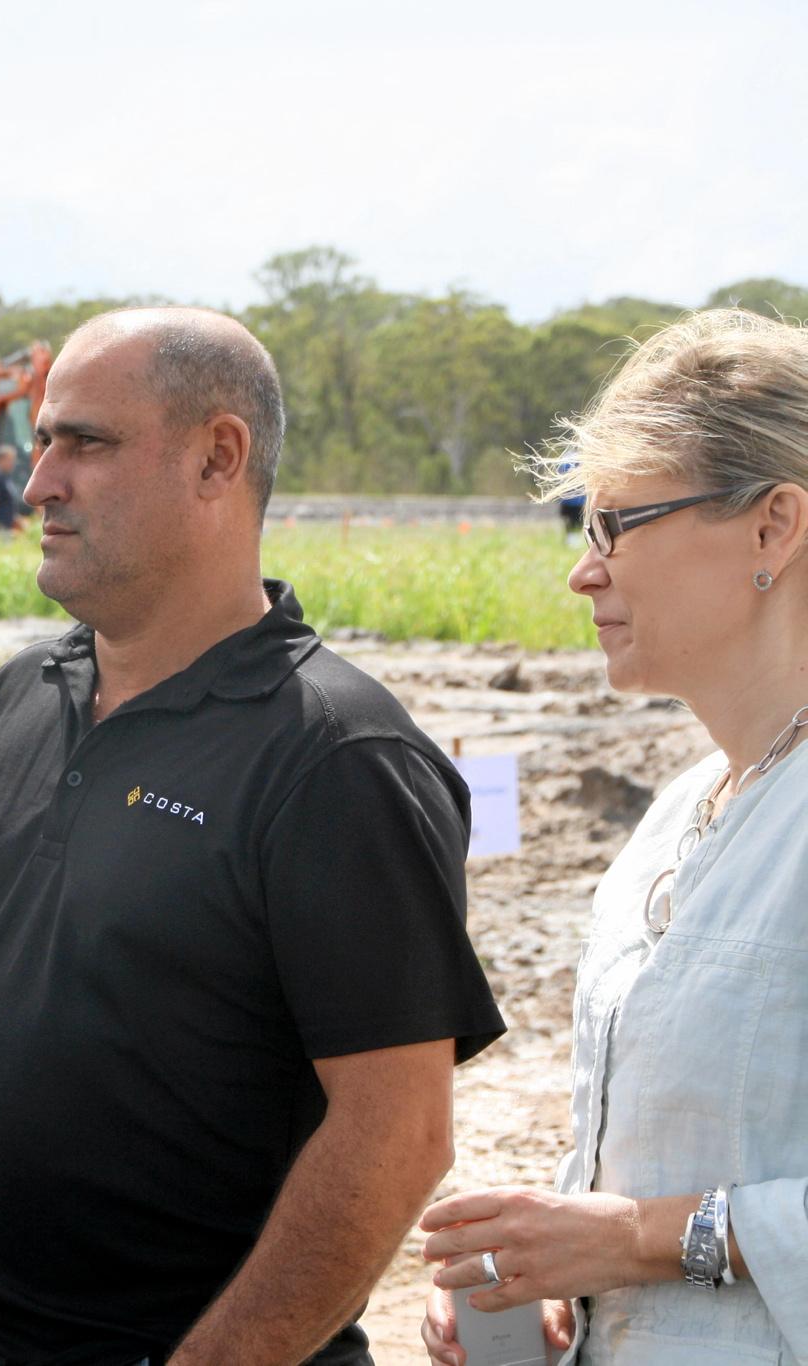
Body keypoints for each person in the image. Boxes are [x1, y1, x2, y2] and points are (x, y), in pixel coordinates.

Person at [0, 306, 507, 1366]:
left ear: (215, 459)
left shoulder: (337, 758)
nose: (36, 479)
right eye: (39, 440)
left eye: (82, 443)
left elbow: (396, 1133)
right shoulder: (2, 709)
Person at [420, 309, 808, 1364]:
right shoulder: (671, 818)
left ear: (772, 527)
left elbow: (651, 1228)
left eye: (615, 524)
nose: (581, 572)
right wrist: (557, 1285)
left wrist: (635, 1243)